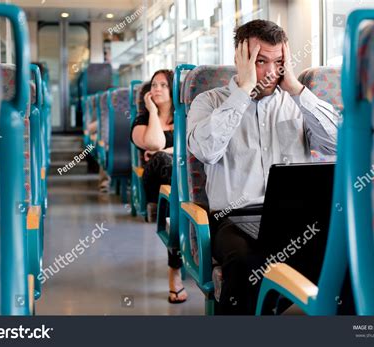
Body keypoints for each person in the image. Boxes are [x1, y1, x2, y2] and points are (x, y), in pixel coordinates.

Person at [187, 19, 340, 314]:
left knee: (347, 249)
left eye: (279, 62)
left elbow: (337, 144)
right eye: (260, 61)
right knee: (246, 261)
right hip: (233, 219)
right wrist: (242, 93)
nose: (271, 72)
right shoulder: (208, 102)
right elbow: (206, 150)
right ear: (239, 59)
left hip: (294, 219)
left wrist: (296, 88)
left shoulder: (296, 102)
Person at [131, 69, 188, 304]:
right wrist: (153, 111)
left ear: (174, 89)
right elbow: (154, 142)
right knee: (164, 162)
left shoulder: (185, 116)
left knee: (167, 161)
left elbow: (192, 147)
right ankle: (174, 272)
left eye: (164, 85)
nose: (157, 89)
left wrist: (165, 151)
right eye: (154, 85)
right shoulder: (142, 119)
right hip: (155, 182)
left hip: (183, 184)